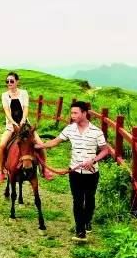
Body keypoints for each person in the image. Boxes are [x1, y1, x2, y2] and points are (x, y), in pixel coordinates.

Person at [34, 101, 109, 242]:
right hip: (74, 172)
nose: (72, 115)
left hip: (92, 173)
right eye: (72, 113)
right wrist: (39, 146)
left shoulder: (96, 132)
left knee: (90, 199)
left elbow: (105, 150)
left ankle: (87, 220)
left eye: (75, 113)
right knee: (77, 200)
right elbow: (55, 141)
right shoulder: (69, 129)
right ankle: (80, 231)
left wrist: (93, 160)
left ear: (84, 113)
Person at [0, 72, 53, 183]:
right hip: (11, 126)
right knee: (2, 145)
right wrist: (13, 123)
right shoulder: (4, 95)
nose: (9, 83)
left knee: (40, 144)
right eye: (7, 81)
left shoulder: (23, 93)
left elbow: (26, 108)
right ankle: (1, 171)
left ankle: (44, 169)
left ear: (17, 81)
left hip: (25, 125)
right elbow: (7, 111)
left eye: (11, 81)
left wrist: (22, 121)